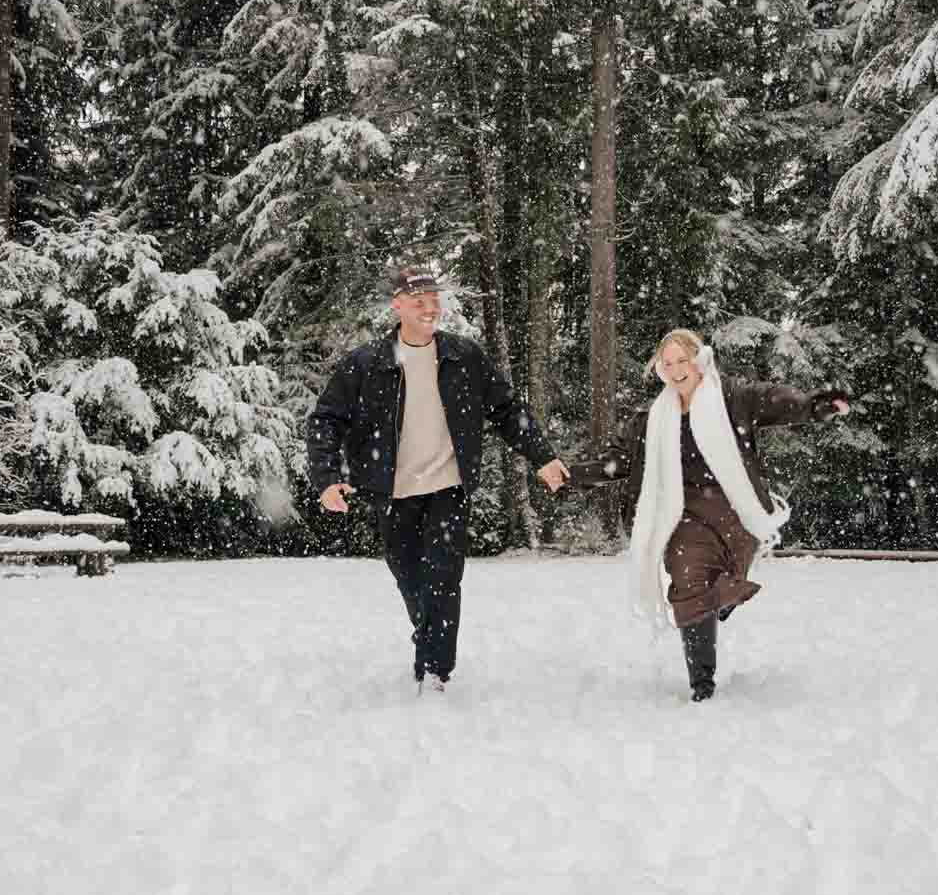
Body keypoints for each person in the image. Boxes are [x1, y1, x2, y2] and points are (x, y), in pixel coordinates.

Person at [308, 268, 570, 694]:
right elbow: (326, 420)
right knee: (410, 579)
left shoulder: (463, 357)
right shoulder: (366, 363)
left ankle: (435, 671)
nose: (429, 307)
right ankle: (429, 639)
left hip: (448, 487)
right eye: (418, 300)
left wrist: (542, 456)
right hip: (392, 493)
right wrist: (326, 478)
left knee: (445, 578)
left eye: (433, 299)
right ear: (397, 305)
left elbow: (505, 410)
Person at [569, 328, 850, 701]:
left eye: (681, 360)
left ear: (699, 360)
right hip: (682, 515)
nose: (675, 369)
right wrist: (571, 475)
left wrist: (816, 404)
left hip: (736, 510)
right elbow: (616, 462)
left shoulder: (732, 397)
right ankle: (702, 681)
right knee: (688, 579)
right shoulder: (651, 420)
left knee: (720, 588)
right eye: (667, 363)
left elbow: (776, 400)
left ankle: (720, 598)